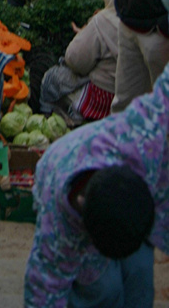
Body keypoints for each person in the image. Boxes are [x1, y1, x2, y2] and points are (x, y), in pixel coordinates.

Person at [24, 63, 169, 308]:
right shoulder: (60, 230)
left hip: (126, 202)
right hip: (59, 163)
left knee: (139, 275)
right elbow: (44, 292)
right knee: (100, 288)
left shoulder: (145, 134)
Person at [40, 0, 119, 124]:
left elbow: (75, 60)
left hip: (101, 97)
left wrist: (83, 33)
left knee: (52, 78)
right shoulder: (136, 21)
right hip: (127, 97)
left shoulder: (102, 21)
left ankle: (49, 118)